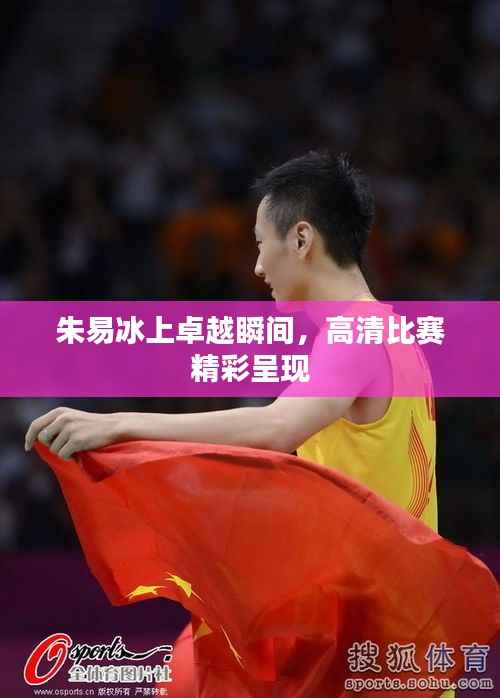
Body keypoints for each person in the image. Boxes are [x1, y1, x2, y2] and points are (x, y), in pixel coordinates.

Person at [25, 151, 450, 697]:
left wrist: (119, 425)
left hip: (375, 650)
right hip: (388, 635)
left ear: (301, 239)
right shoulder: (395, 335)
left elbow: (276, 428)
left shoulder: (354, 336)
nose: (256, 268)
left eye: (259, 244)